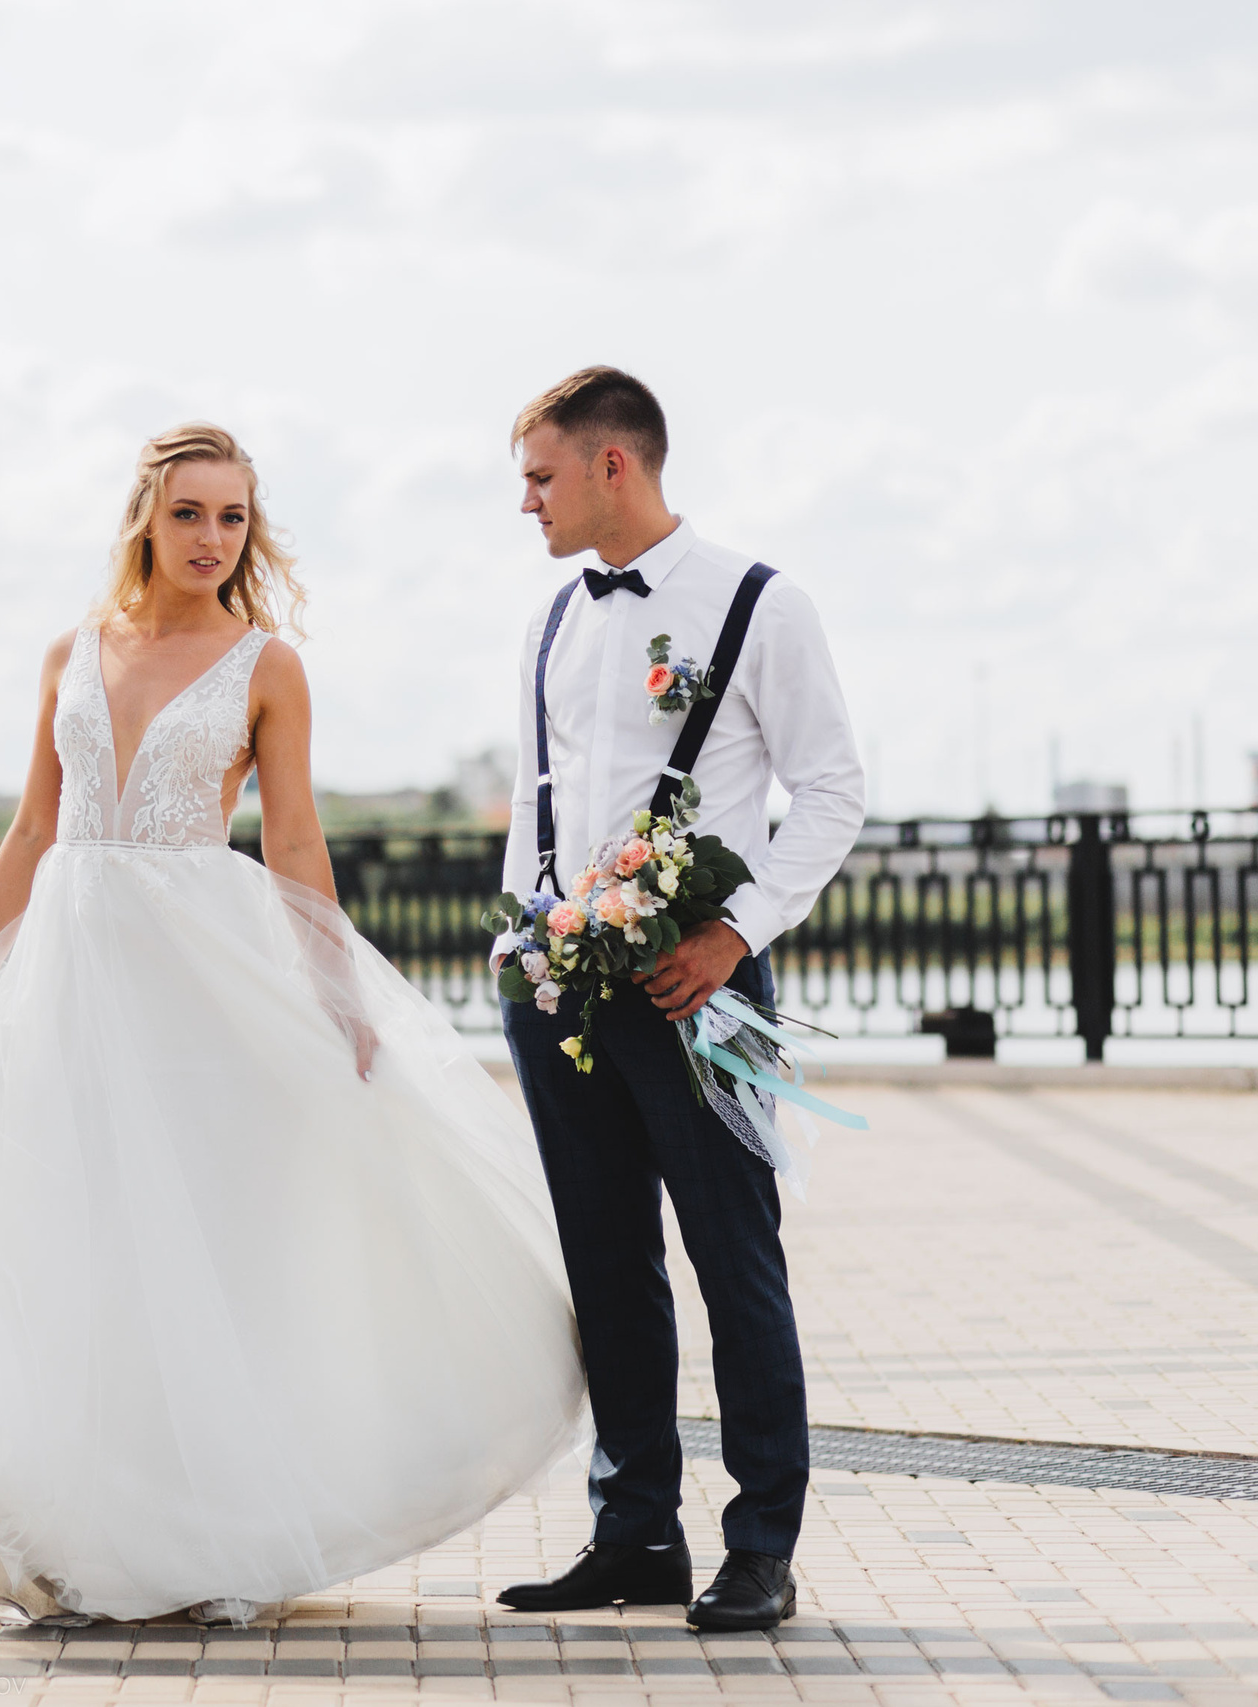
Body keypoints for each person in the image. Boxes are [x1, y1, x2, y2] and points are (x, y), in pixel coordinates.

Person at [0, 422, 587, 1627]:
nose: (213, 539)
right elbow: (32, 830)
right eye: (191, 514)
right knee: (80, 1244)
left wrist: (335, 995)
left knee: (196, 1244)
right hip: (71, 975)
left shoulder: (267, 665)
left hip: (199, 980)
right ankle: (76, 1536)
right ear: (143, 520)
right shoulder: (69, 650)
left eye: (235, 518)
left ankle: (199, 1534)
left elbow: (295, 842)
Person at [490, 368, 866, 1631]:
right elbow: (546, 795)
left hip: (702, 983)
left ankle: (761, 1543)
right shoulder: (557, 614)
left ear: (613, 465)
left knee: (734, 1259)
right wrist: (522, 946)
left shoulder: (762, 603)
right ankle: (633, 1531)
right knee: (605, 1263)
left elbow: (829, 793)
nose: (525, 501)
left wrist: (731, 931)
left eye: (539, 475)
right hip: (560, 989)